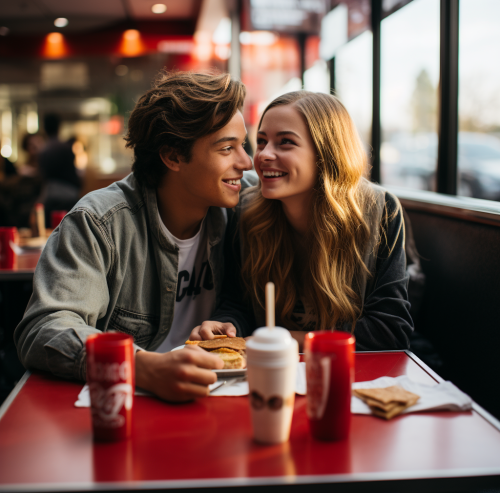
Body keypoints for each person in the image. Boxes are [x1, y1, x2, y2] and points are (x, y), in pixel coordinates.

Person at [14, 71, 254, 402]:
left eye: (243, 145)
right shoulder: (100, 223)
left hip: (220, 400)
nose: (247, 161)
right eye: (227, 148)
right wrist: (141, 367)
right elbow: (45, 329)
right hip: (129, 407)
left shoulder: (242, 202)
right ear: (172, 157)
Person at [193, 91, 413, 351]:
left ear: (326, 153)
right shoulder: (245, 211)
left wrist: (288, 341)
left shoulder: (380, 211)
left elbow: (390, 331)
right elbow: (239, 304)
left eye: (285, 142)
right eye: (261, 141)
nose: (263, 155)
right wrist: (225, 326)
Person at [39, 113, 82, 226]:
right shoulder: (66, 148)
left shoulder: (44, 151)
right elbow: (74, 175)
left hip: (51, 195)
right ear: (59, 127)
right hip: (70, 195)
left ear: (44, 128)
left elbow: (43, 177)